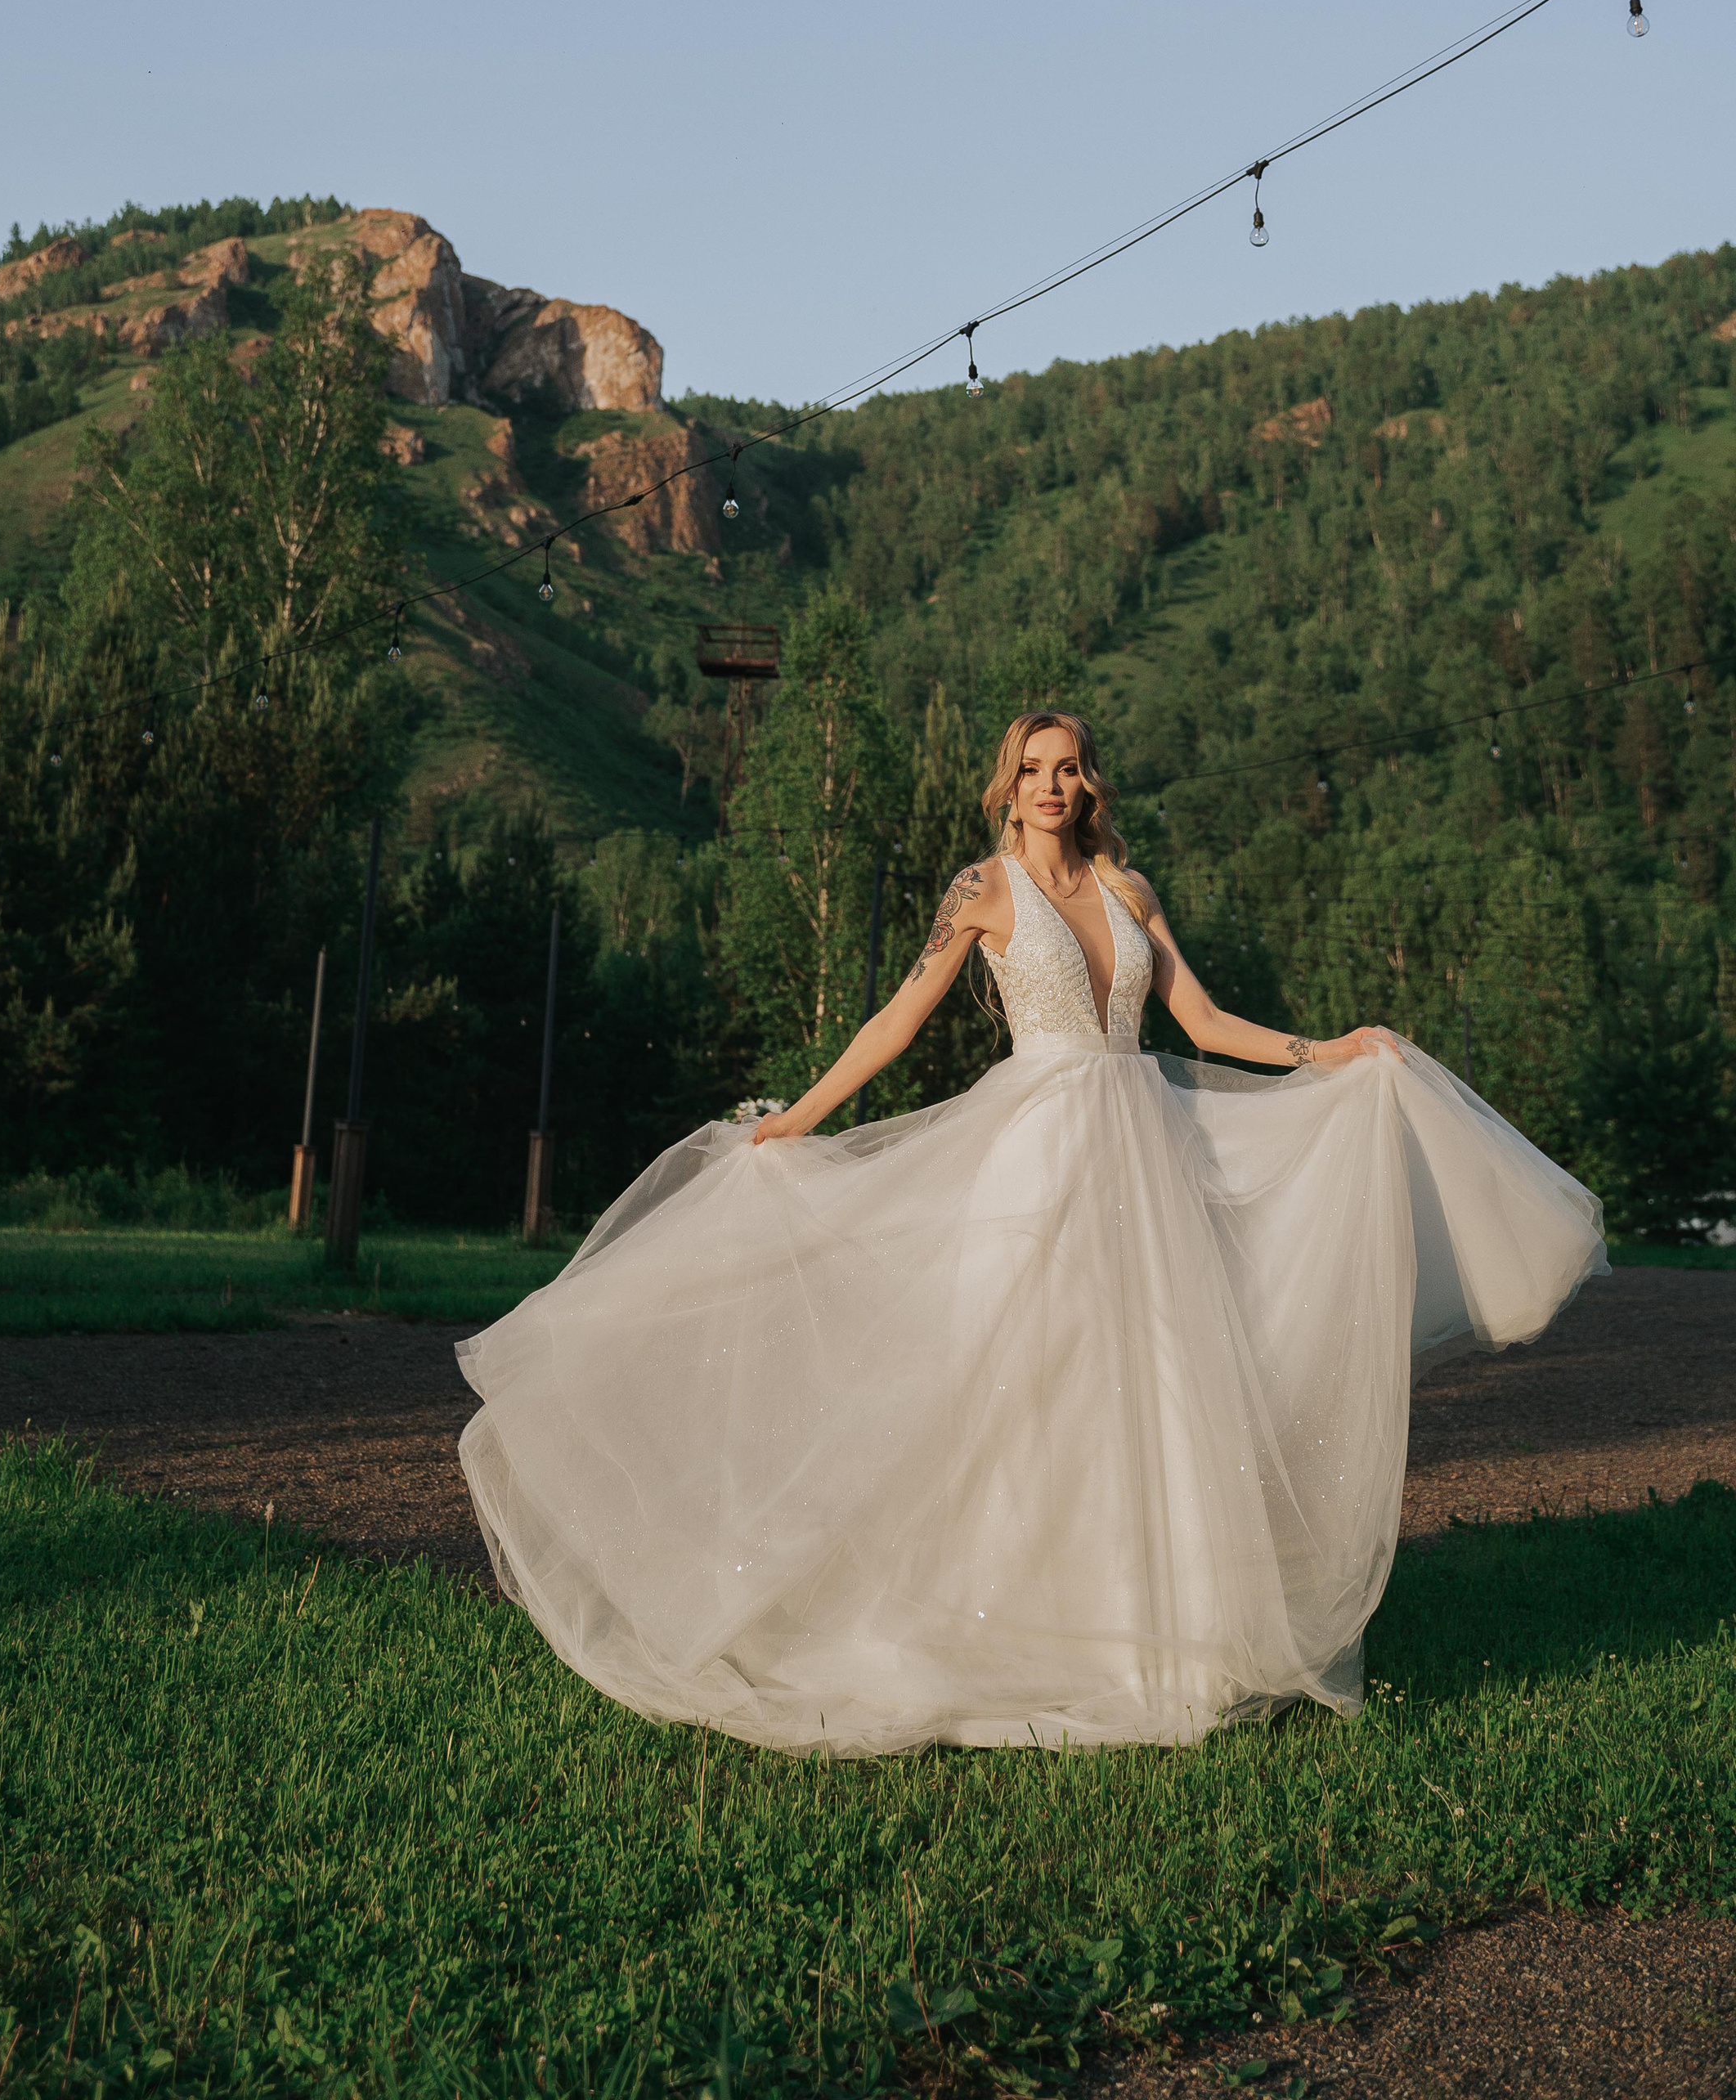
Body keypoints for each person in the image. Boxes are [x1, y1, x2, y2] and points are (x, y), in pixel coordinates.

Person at [458, 707, 1605, 1757]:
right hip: (1037, 1154)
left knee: (1148, 1386)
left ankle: (1153, 1641)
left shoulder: (1133, 888)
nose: (1050, 786)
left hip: (1146, 1153)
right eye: (1031, 771)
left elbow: (1200, 1021)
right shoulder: (982, 889)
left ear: (1088, 784)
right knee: (1017, 1386)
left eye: (1067, 769)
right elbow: (901, 1018)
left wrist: (1329, 1052)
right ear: (1007, 789)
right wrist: (801, 1119)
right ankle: (995, 1624)